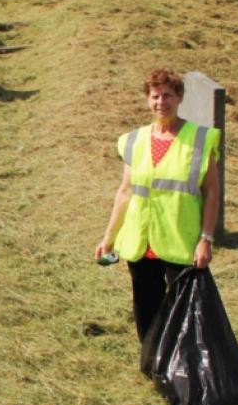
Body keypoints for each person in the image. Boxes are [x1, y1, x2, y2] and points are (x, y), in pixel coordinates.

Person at [94, 68, 221, 343]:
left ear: (179, 98)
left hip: (180, 239)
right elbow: (125, 192)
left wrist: (206, 239)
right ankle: (151, 360)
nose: (160, 102)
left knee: (182, 308)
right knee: (146, 305)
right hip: (142, 240)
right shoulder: (133, 141)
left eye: (167, 95)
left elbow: (212, 192)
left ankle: (179, 364)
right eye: (154, 96)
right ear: (147, 100)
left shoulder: (200, 139)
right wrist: (109, 238)